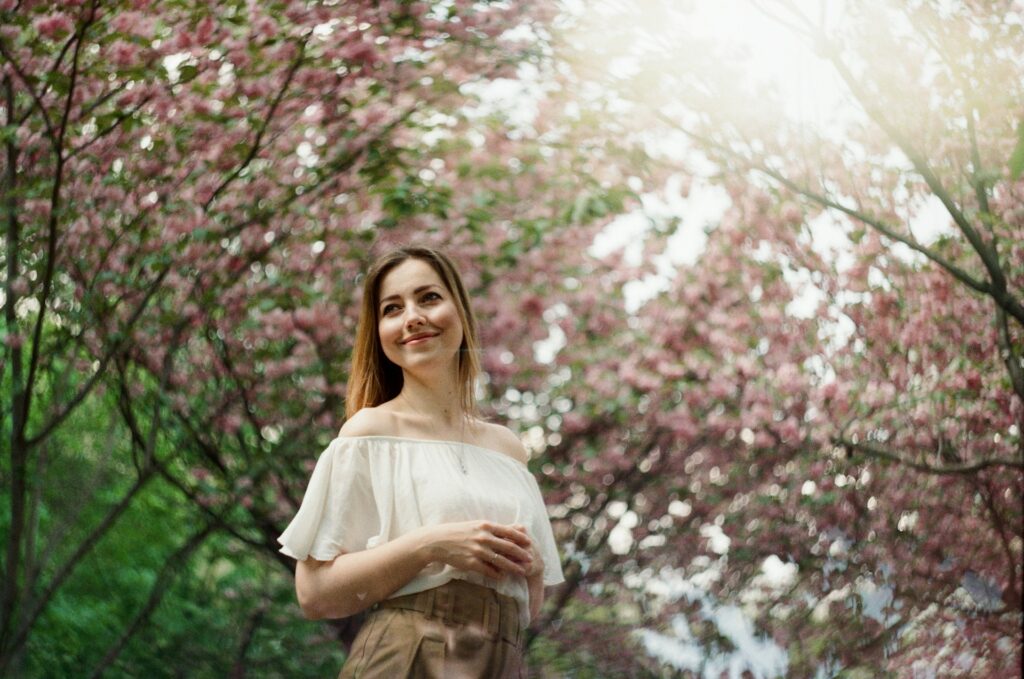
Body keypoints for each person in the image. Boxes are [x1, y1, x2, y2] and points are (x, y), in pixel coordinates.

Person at [277, 246, 565, 678]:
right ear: (379, 332)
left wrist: (534, 570)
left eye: (428, 298)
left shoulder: (507, 449)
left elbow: (523, 606)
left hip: (502, 661)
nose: (412, 316)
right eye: (392, 308)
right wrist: (431, 545)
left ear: (460, 312)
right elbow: (314, 594)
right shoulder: (369, 433)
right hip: (407, 655)